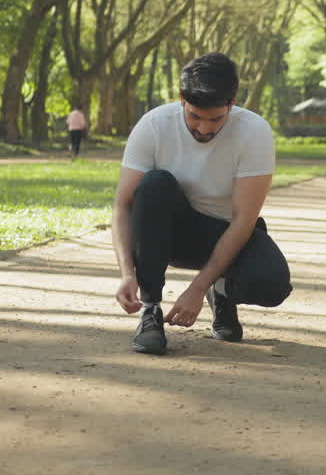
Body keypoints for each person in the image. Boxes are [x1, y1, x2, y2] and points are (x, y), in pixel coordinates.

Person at [111, 52, 291, 354]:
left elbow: (243, 221)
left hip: (226, 232)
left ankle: (220, 291)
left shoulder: (254, 132)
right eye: (195, 116)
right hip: (170, 233)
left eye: (216, 119)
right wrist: (127, 274)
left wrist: (196, 289)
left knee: (272, 285)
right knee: (155, 184)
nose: (204, 129)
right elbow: (122, 206)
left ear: (232, 104)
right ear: (182, 99)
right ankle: (150, 310)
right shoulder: (154, 125)